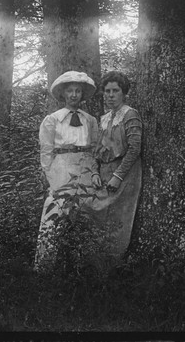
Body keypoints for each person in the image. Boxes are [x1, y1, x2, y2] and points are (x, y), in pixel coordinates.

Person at [34, 70, 99, 271]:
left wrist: (94, 171)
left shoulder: (90, 120)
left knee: (86, 213)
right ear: (63, 94)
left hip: (85, 166)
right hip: (61, 166)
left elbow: (95, 148)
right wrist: (51, 175)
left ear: (82, 94)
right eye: (70, 91)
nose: (73, 95)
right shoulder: (52, 120)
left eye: (77, 91)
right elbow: (46, 151)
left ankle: (82, 267)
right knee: (55, 213)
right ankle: (45, 267)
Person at [91, 71, 143, 262]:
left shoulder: (130, 115)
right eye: (107, 91)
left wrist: (118, 176)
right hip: (103, 174)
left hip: (125, 174)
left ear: (124, 93)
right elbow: (96, 151)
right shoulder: (104, 119)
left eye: (115, 91)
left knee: (117, 223)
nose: (110, 95)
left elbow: (135, 148)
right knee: (93, 215)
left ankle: (112, 268)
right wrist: (95, 173)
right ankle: (94, 266)